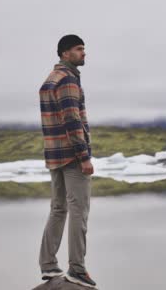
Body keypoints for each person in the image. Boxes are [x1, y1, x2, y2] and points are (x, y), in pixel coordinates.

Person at [37, 34, 98, 289]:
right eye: (78, 49)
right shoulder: (68, 79)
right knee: (79, 211)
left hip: (54, 154)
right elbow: (72, 120)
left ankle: (48, 264)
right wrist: (84, 156)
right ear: (64, 54)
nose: (84, 53)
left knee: (58, 209)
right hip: (72, 156)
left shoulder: (50, 79)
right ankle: (77, 269)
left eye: (83, 49)